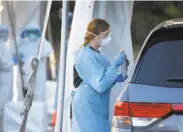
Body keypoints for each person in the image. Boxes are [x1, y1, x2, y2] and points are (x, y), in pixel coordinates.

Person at [72, 18, 128, 132]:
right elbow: (100, 85)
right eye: (106, 35)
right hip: (88, 106)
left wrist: (114, 79)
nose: (108, 38)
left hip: (96, 105)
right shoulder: (86, 56)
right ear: (96, 35)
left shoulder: (96, 54)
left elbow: (102, 78)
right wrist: (114, 66)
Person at [19, 23, 53, 101]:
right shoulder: (24, 43)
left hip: (39, 73)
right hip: (26, 74)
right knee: (27, 94)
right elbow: (15, 51)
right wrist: (20, 39)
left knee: (39, 93)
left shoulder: (41, 43)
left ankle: (38, 110)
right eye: (29, 32)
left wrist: (42, 38)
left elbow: (48, 51)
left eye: (34, 32)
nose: (32, 34)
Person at [0, 24, 14, 131]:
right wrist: (12, 62)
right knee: (2, 106)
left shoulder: (3, 45)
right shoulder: (1, 45)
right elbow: (2, 64)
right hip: (3, 80)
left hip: (5, 80)